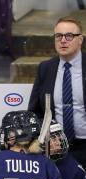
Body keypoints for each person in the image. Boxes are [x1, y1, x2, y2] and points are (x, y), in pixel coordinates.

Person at [29, 16, 86, 168]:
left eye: (69, 36)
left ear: (80, 39)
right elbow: (34, 111)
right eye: (58, 36)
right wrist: (43, 139)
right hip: (56, 147)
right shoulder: (45, 68)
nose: (63, 40)